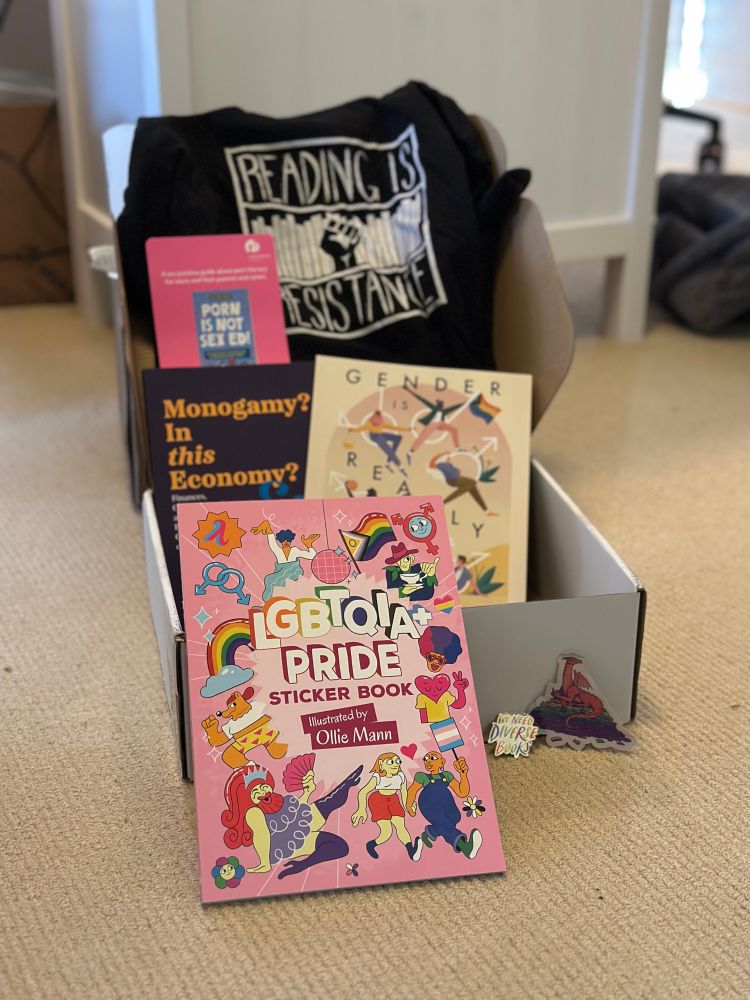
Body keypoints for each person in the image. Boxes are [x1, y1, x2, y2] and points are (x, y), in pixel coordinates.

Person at [221, 761, 363, 879]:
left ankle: (346, 785)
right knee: (339, 846)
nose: (263, 791)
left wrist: (307, 792)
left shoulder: (273, 801)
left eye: (263, 786)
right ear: (247, 799)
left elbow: (292, 811)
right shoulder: (253, 812)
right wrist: (264, 863)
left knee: (329, 802)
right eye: (255, 791)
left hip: (295, 825)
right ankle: (302, 864)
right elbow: (261, 834)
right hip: (284, 842)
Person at [405, 751, 482, 859]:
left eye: (433, 758)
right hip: (428, 803)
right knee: (443, 822)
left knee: (455, 817)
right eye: (426, 759)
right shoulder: (422, 776)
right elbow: (412, 790)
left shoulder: (447, 775)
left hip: (445, 802)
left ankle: (431, 832)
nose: (428, 761)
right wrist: (409, 806)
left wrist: (463, 774)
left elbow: (462, 792)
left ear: (442, 762)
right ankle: (466, 847)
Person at [351, 752, 422, 861]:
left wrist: (407, 806)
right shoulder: (378, 777)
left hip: (394, 800)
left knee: (400, 826)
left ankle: (411, 851)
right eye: (390, 762)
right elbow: (363, 792)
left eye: (398, 761)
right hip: (378, 800)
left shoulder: (400, 776)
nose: (395, 764)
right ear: (381, 764)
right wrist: (361, 809)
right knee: (387, 832)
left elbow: (404, 793)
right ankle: (371, 845)